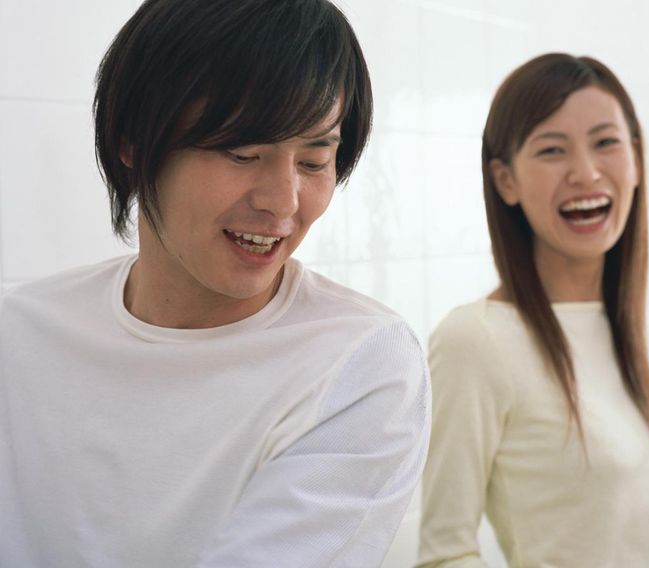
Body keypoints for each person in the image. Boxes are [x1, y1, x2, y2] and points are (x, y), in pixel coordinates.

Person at [0, 1, 430, 566]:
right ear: (134, 142)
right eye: (242, 153)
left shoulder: (358, 362)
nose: (283, 202)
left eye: (313, 160)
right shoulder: (21, 333)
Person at [416, 53, 649, 567]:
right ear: (505, 181)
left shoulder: (611, 322)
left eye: (605, 143)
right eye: (552, 150)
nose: (586, 172)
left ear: (636, 160)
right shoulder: (474, 340)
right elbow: (444, 555)